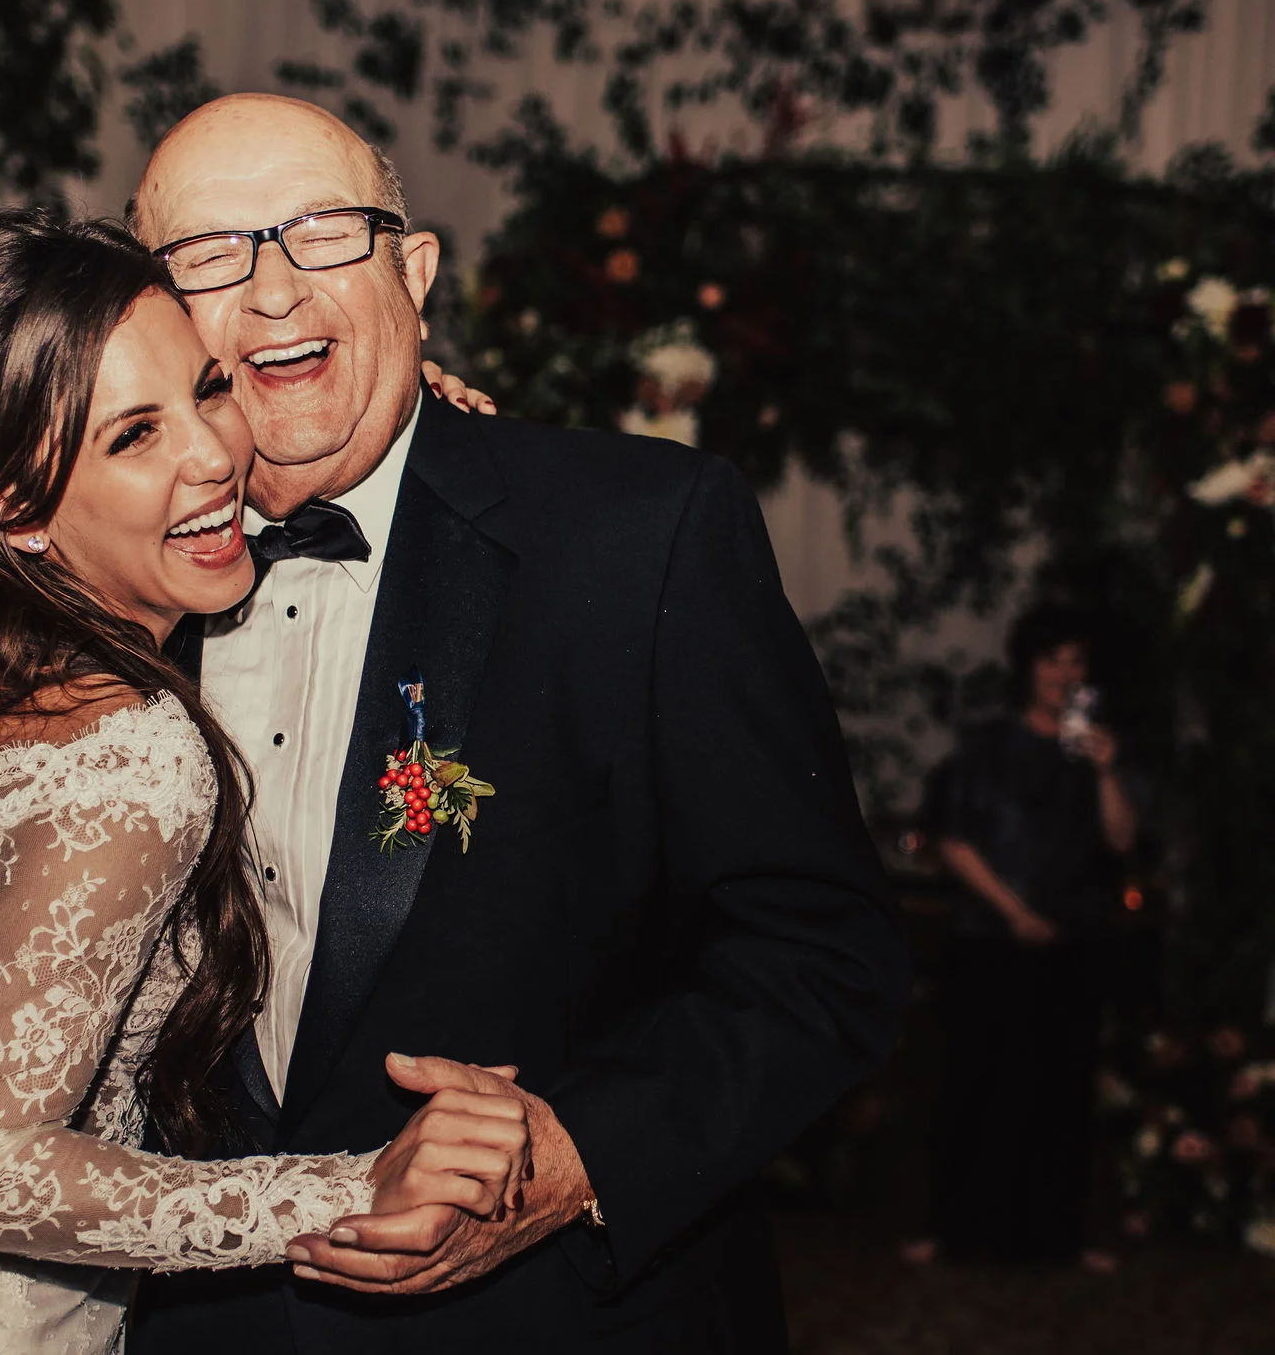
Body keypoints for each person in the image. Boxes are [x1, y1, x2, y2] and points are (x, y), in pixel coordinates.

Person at [119, 95, 911, 1354]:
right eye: (210, 253)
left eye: (321, 230)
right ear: (150, 317)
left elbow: (822, 956)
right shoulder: (101, 572)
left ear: (412, 272)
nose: (269, 290)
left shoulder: (637, 538)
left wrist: (575, 1149)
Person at [0, 214, 533, 1355]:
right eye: (132, 436)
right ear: (10, 511)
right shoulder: (138, 749)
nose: (210, 456)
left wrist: (405, 403)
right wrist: (356, 1189)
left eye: (207, 390)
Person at [910, 604, 1139, 1271]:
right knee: (975, 1082)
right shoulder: (986, 744)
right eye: (1052, 660)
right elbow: (953, 840)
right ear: (1029, 668)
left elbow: (1121, 839)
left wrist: (1106, 769)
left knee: (1064, 1089)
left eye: (1076, 662)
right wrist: (1014, 911)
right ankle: (951, 1229)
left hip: (1074, 939)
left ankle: (1062, 1235)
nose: (1065, 674)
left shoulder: (1096, 748)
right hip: (990, 934)